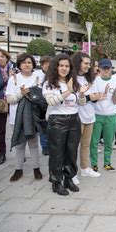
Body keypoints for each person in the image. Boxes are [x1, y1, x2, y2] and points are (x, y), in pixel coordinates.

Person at [43, 54, 88, 196]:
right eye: (61, 65)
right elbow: (51, 102)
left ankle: (69, 179)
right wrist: (68, 91)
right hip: (57, 120)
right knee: (57, 153)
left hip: (74, 119)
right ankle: (56, 182)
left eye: (67, 66)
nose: (64, 68)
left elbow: (81, 103)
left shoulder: (74, 82)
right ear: (56, 67)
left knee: (71, 151)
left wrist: (81, 94)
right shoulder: (49, 83)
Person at [5, 53, 42, 182]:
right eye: (24, 62)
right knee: (19, 145)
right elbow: (9, 99)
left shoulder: (38, 77)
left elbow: (41, 98)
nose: (27, 64)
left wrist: (33, 95)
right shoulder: (13, 79)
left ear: (33, 65)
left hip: (33, 117)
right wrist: (21, 94)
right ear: (19, 65)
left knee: (33, 144)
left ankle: (36, 168)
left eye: (29, 62)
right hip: (16, 117)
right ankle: (18, 169)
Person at [71, 52, 101, 180]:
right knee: (73, 146)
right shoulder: (71, 79)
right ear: (78, 63)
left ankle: (84, 168)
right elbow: (71, 98)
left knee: (85, 145)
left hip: (90, 116)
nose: (88, 66)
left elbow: (94, 96)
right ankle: (71, 173)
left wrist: (96, 97)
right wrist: (89, 97)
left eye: (90, 64)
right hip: (76, 116)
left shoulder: (91, 79)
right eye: (86, 63)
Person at [90, 58, 116, 173]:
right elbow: (92, 98)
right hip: (97, 115)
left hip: (111, 115)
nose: (106, 70)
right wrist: (102, 94)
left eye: (108, 68)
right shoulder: (95, 81)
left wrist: (113, 94)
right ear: (100, 69)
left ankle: (107, 163)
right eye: (104, 68)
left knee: (109, 141)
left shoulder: (115, 81)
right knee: (94, 142)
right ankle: (93, 164)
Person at [0, 48, 14, 165]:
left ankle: (19, 152)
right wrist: (7, 78)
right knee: (0, 130)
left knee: (16, 127)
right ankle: (2, 154)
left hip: (13, 101)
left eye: (2, 56)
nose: (0, 58)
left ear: (7, 57)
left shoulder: (14, 69)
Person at [33, 56, 50, 155]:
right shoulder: (36, 74)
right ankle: (45, 147)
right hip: (39, 104)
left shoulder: (53, 75)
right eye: (45, 63)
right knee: (43, 126)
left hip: (49, 104)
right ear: (42, 65)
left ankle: (50, 145)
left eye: (49, 63)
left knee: (49, 126)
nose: (47, 65)